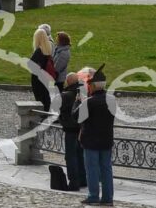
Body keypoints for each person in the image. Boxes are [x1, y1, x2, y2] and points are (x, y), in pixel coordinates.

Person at [76, 65, 116, 207]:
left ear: (92, 86)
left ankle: (93, 196)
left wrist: (79, 101)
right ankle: (108, 197)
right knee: (106, 169)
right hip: (106, 139)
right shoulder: (111, 100)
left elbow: (78, 118)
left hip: (91, 141)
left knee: (92, 169)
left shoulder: (89, 102)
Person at [59, 72, 87, 192]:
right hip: (82, 129)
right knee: (81, 156)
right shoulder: (84, 93)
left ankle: (74, 182)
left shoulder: (65, 95)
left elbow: (62, 113)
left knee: (71, 157)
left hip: (71, 130)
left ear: (68, 82)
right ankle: (83, 179)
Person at [29, 27, 54, 112]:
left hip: (38, 77)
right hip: (46, 76)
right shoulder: (48, 48)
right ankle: (46, 112)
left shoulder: (39, 51)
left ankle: (42, 113)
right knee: (46, 95)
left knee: (39, 96)